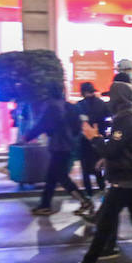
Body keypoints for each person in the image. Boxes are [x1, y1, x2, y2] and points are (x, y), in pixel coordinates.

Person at [57, 81, 132, 263]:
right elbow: (128, 149)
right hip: (129, 178)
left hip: (123, 180)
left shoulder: (125, 120)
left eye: (111, 97)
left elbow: (112, 150)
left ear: (118, 99)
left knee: (105, 224)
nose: (108, 102)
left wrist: (94, 138)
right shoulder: (130, 117)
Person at [24, 84, 93, 218]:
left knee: (61, 176)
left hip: (58, 146)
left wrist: (28, 137)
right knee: (51, 177)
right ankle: (45, 205)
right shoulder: (69, 106)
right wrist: (70, 136)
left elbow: (42, 124)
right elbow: (77, 126)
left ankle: (85, 201)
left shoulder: (52, 107)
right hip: (68, 145)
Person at [75, 82, 110, 196]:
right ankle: (102, 187)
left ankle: (89, 192)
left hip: (84, 139)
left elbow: (76, 123)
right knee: (98, 164)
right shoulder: (101, 103)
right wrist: (103, 132)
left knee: (85, 167)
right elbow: (108, 119)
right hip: (98, 138)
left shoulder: (79, 105)